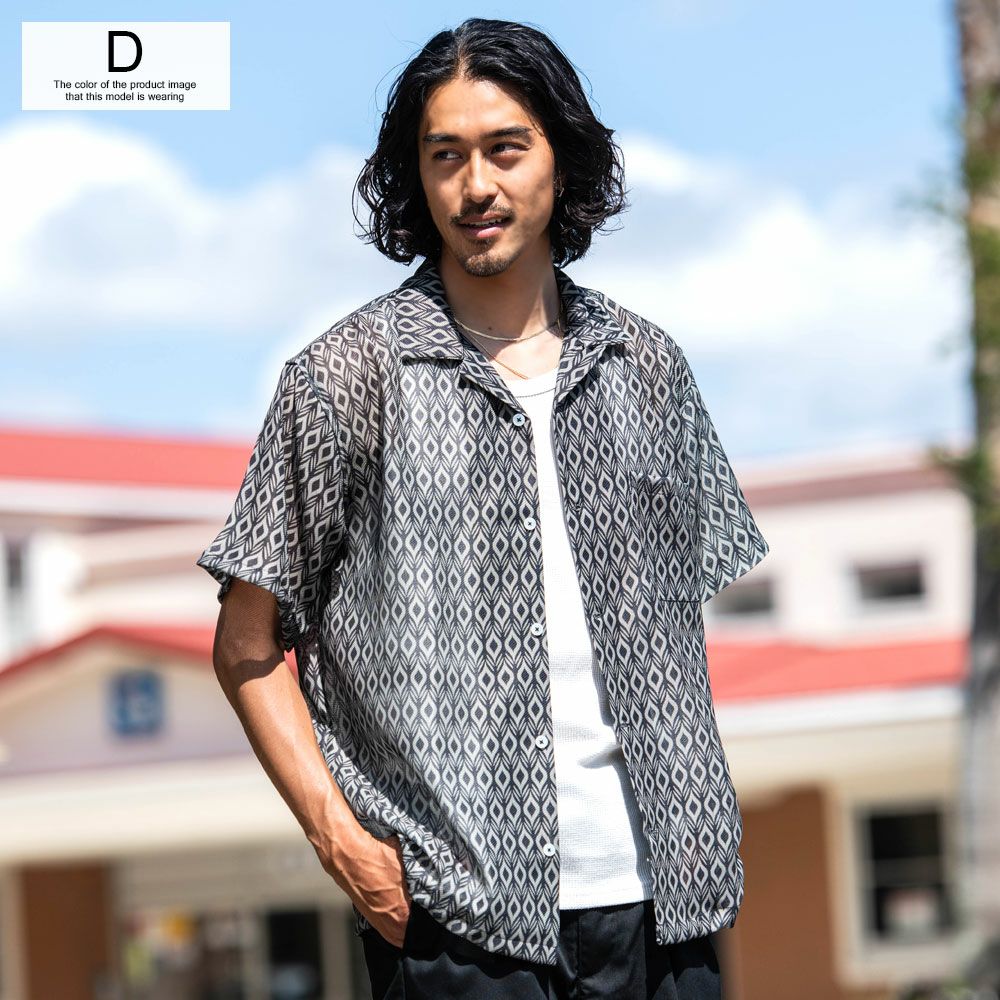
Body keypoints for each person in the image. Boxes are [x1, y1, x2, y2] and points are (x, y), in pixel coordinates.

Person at [196, 16, 769, 1000]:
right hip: (455, 920)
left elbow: (680, 625)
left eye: (506, 149)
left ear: (561, 159)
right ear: (415, 177)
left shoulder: (647, 366)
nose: (476, 186)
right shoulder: (345, 379)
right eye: (445, 156)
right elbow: (247, 644)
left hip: (666, 908)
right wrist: (342, 842)